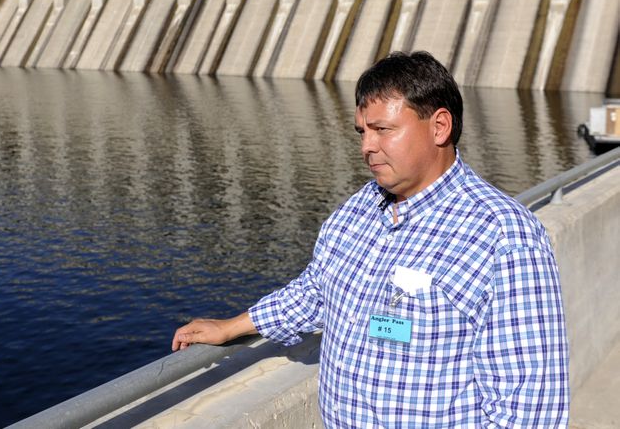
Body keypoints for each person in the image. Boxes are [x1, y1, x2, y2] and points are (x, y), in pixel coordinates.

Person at [172, 51, 569, 427]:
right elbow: (316, 292)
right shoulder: (357, 211)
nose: (366, 147)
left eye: (383, 130)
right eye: (362, 131)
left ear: (439, 126)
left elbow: (529, 403)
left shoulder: (503, 236)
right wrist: (232, 327)